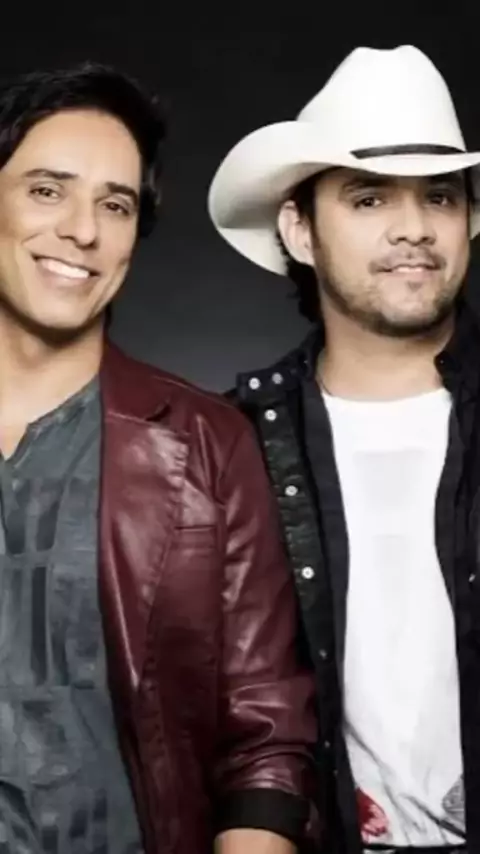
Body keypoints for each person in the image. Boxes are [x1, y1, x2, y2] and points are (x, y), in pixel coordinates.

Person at [0, 62, 316, 854]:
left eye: (115, 205)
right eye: (47, 190)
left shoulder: (209, 442)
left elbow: (267, 735)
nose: (83, 230)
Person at [208, 44, 480, 853]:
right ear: (299, 229)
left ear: (469, 219)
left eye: (439, 197)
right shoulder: (233, 444)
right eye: (368, 198)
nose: (413, 229)